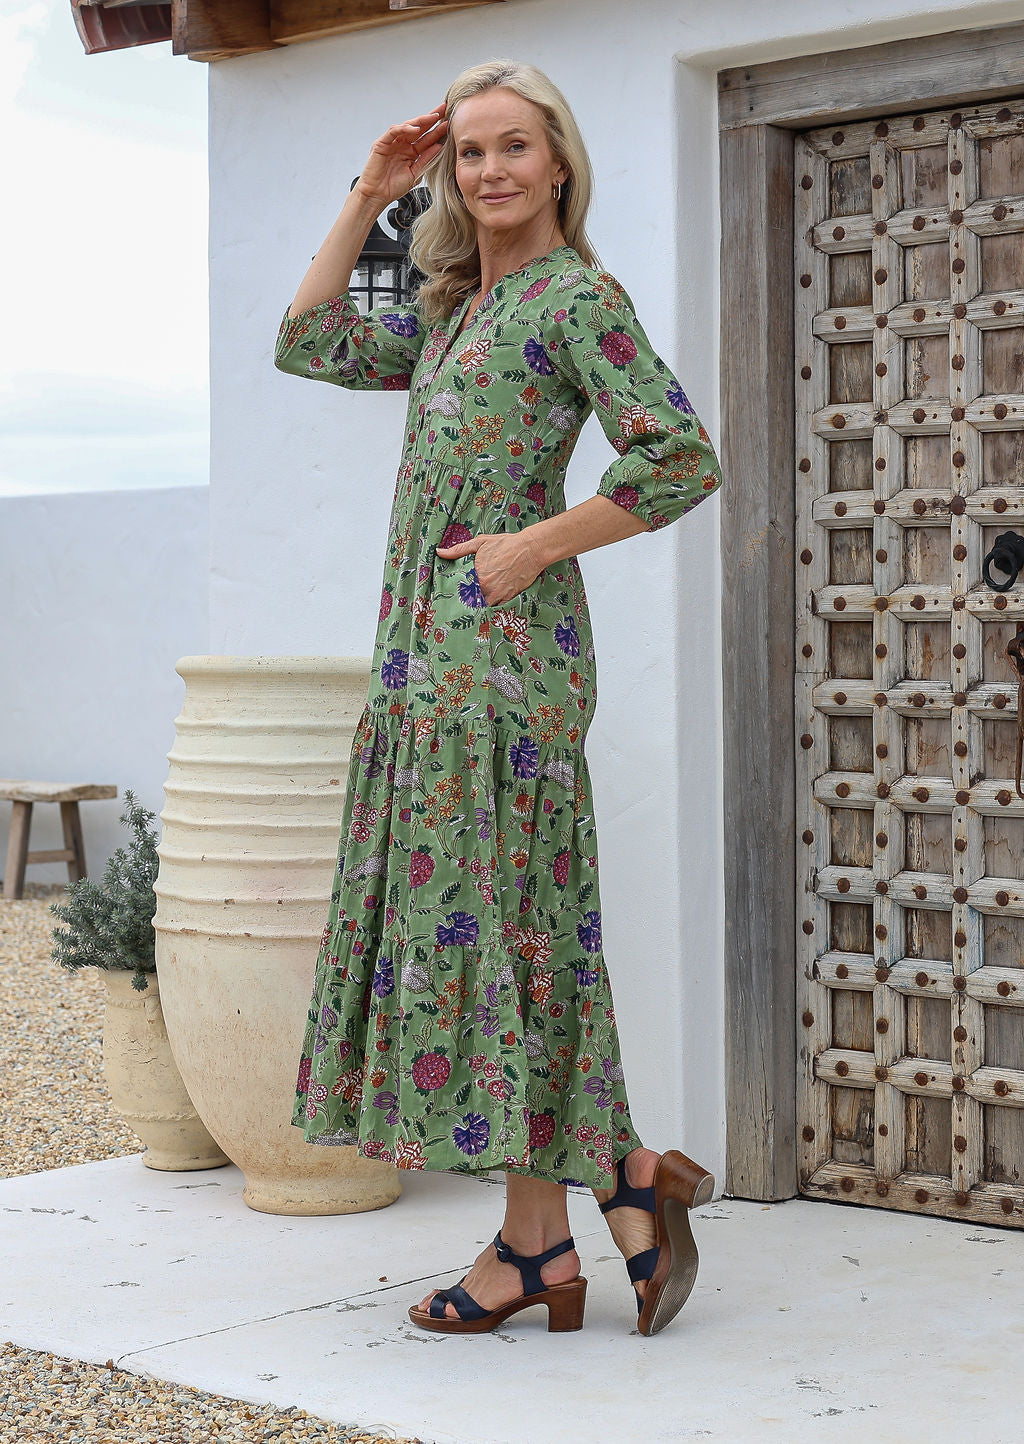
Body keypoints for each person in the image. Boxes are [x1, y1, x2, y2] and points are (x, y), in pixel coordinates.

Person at [274, 58, 723, 1338]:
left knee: (519, 933)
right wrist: (371, 188)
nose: (487, 172)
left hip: (509, 668)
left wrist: (535, 544)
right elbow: (304, 339)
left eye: (511, 148)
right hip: (423, 664)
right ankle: (569, 1221)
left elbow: (682, 457)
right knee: (514, 944)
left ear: (558, 162)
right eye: (468, 154)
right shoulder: (457, 306)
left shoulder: (580, 298)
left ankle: (586, 1208)